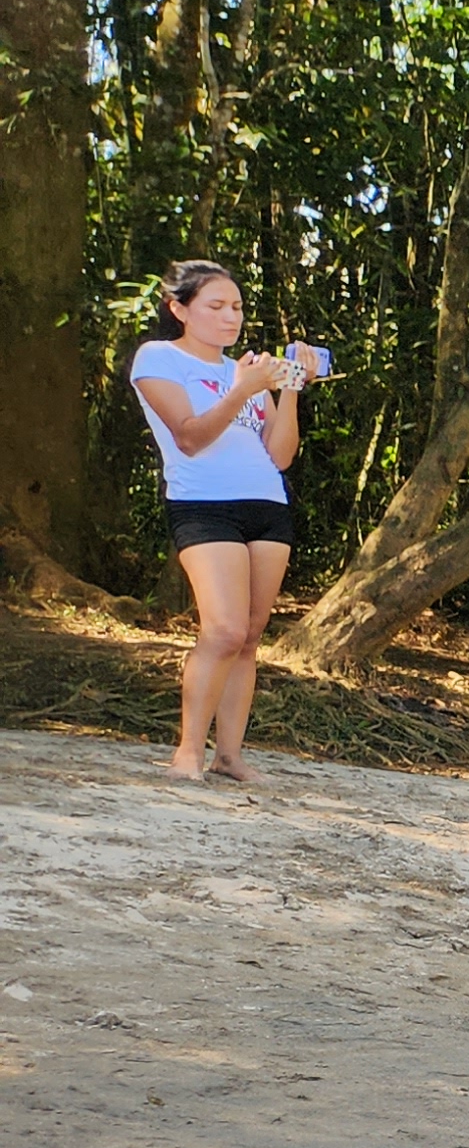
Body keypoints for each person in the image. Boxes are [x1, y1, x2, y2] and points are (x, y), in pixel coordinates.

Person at [130, 260, 303, 785]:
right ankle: (188, 752)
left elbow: (281, 456)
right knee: (223, 630)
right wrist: (242, 388)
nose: (231, 317)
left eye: (237, 307)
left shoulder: (245, 371)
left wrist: (287, 386)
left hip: (266, 504)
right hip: (204, 503)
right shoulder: (159, 358)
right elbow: (188, 436)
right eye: (216, 306)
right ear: (179, 309)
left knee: (249, 636)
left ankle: (230, 755)